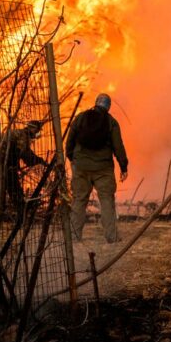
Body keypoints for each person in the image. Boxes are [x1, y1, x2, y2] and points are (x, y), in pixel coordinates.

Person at [66, 93, 128, 243]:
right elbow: (118, 146)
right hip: (103, 169)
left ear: (96, 103)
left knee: (79, 200)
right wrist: (123, 166)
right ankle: (111, 237)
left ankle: (74, 237)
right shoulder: (111, 122)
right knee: (107, 201)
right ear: (108, 106)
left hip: (81, 166)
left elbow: (70, 141)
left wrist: (73, 159)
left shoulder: (81, 117)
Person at [3, 120, 45, 219]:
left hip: (4, 164)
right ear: (33, 129)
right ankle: (21, 216)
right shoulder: (23, 136)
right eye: (37, 130)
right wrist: (38, 160)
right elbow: (25, 155)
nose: (37, 133)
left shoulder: (19, 134)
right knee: (15, 191)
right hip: (6, 166)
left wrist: (38, 160)